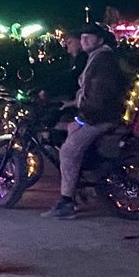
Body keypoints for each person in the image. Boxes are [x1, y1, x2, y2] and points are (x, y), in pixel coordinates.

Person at [43, 23, 125, 219]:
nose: (84, 39)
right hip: (98, 114)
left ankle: (67, 203)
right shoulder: (96, 58)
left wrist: (80, 120)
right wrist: (72, 103)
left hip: (100, 118)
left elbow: (99, 98)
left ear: (101, 40)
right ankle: (81, 189)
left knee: (68, 152)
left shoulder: (103, 60)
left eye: (90, 36)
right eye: (82, 36)